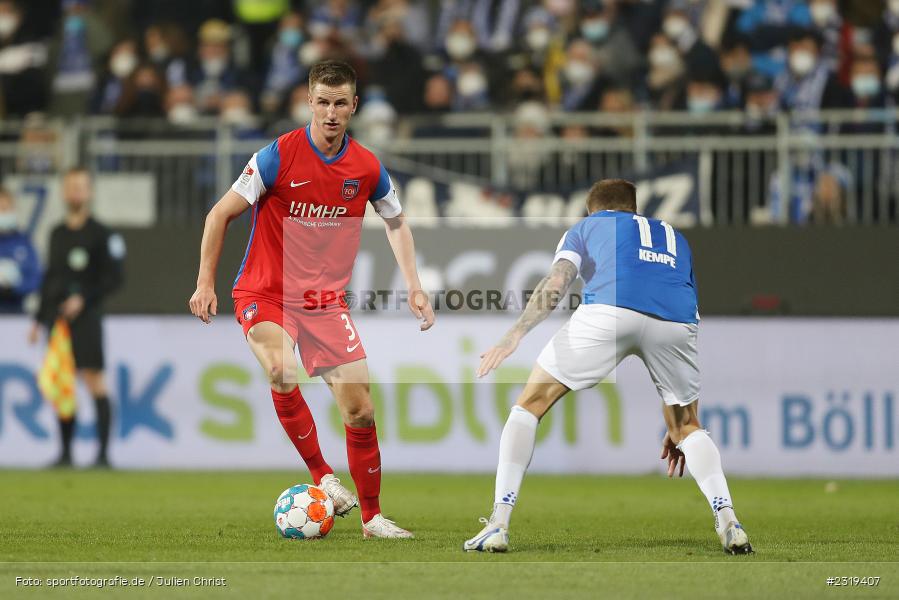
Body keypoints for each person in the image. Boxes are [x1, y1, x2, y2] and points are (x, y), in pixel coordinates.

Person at [188, 60, 435, 539]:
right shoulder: (276, 157)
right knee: (282, 369)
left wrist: (415, 284)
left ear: (354, 106)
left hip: (323, 302)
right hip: (264, 291)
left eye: (340, 103)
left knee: (360, 408)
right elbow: (219, 215)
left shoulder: (366, 167)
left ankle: (372, 518)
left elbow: (396, 221)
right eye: (322, 102)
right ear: (309, 102)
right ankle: (323, 474)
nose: (330, 113)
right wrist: (204, 282)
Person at [463, 179, 753, 555]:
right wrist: (679, 421)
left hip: (609, 311)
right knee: (689, 429)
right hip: (677, 321)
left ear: (593, 210)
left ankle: (499, 525)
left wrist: (515, 333)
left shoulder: (586, 227)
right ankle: (729, 520)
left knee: (528, 405)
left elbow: (557, 282)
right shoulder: (674, 236)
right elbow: (686, 300)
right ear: (632, 208)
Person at [31, 167, 125, 468]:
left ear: (90, 192)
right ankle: (65, 454)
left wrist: (83, 299)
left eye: (81, 187)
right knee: (63, 383)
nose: (75, 192)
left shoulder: (101, 234)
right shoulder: (56, 234)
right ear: (63, 191)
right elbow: (50, 279)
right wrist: (38, 319)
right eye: (71, 186)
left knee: (95, 381)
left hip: (88, 318)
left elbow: (114, 278)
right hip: (59, 322)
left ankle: (103, 455)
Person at [0, 187, 41, 313]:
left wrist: (14, 287)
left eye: (5, 208)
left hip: (15, 313)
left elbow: (36, 278)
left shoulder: (23, 242)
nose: (2, 213)